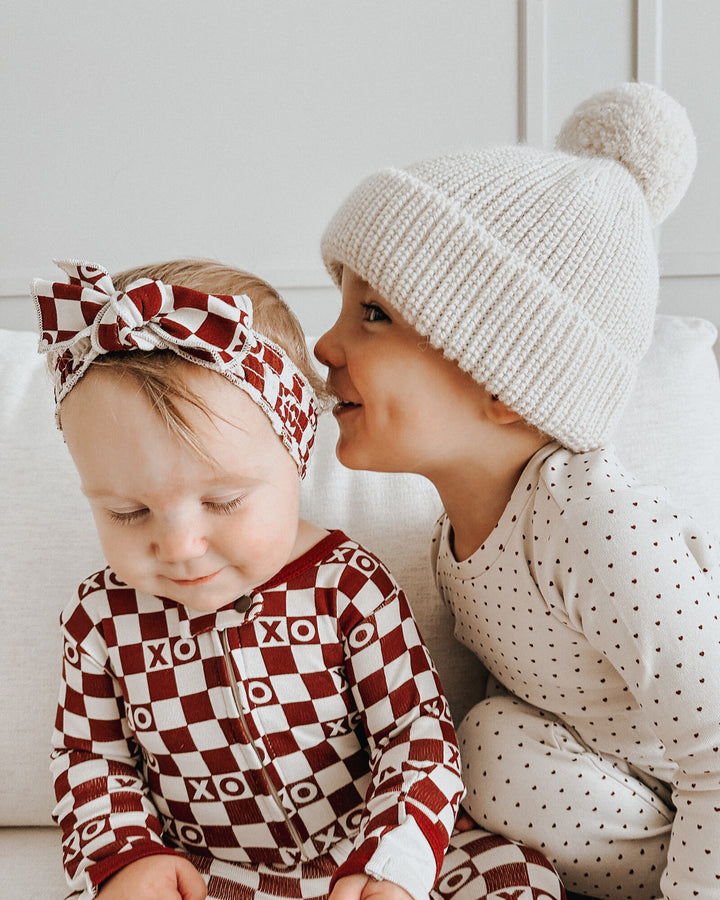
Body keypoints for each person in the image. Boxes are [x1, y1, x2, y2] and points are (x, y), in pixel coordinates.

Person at [33, 258, 566, 900]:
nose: (178, 545)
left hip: (363, 853)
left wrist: (393, 860)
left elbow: (416, 732)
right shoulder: (100, 619)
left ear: (298, 455)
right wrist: (129, 859)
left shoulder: (349, 586)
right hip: (207, 873)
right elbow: (91, 761)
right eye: (127, 512)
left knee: (516, 875)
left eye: (224, 502)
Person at [314, 82, 720, 900]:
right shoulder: (456, 541)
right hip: (637, 791)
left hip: (697, 788)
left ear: (507, 384)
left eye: (375, 315)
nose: (326, 343)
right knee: (490, 742)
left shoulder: (594, 523)